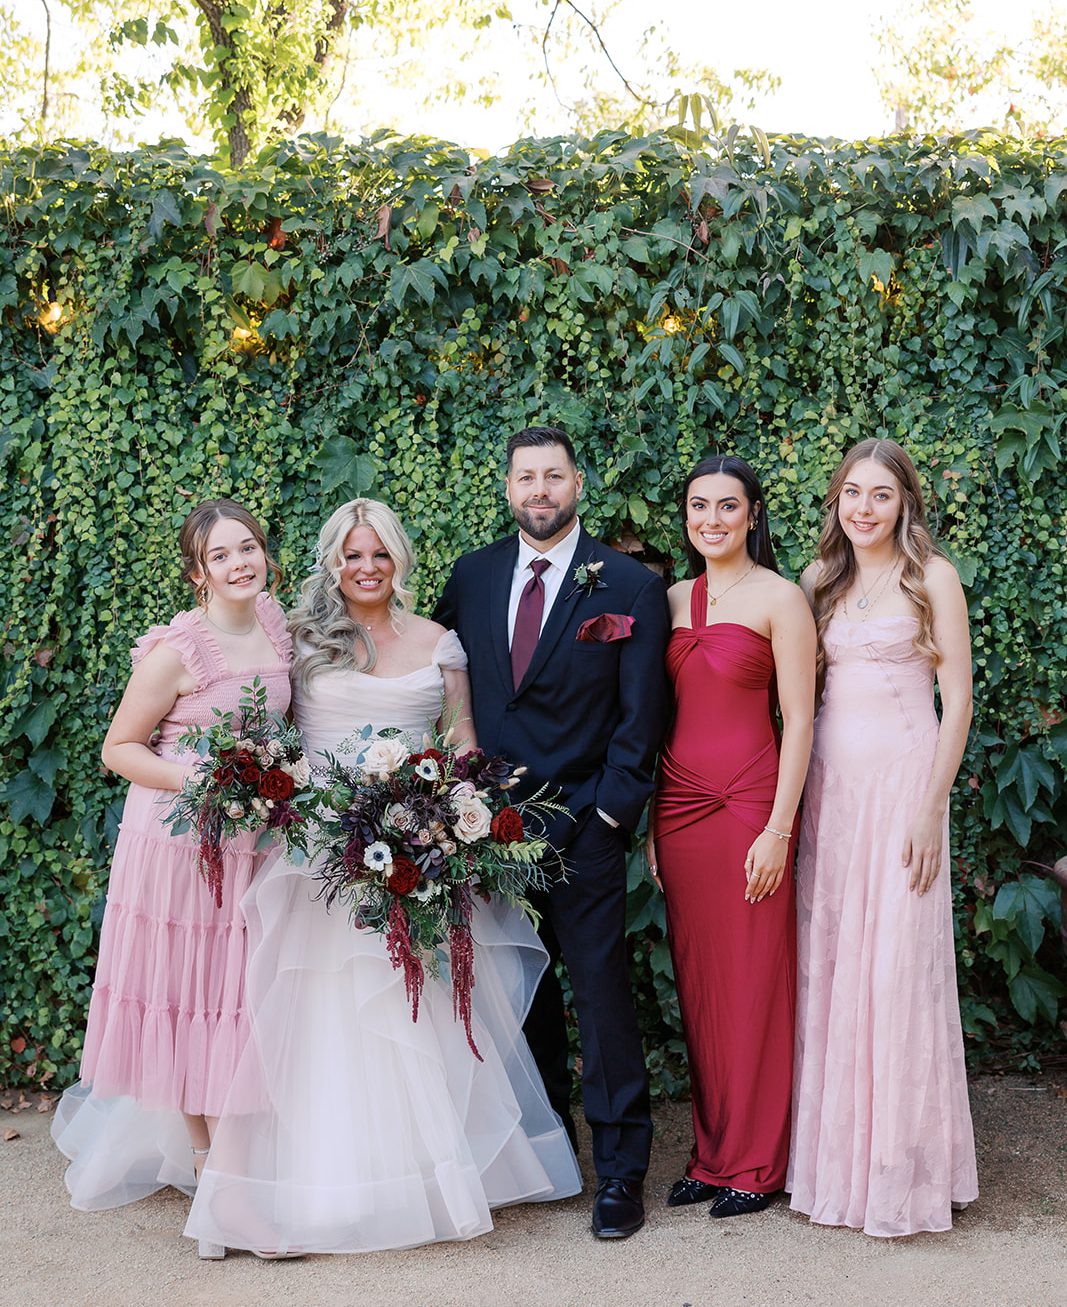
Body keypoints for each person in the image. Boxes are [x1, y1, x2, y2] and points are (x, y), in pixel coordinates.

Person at [185, 498, 581, 1257]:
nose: (366, 569)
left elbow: (458, 739)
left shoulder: (442, 643)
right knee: (319, 1013)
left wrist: (458, 810)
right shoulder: (296, 640)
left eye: (379, 555)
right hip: (317, 854)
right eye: (350, 556)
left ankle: (425, 1175)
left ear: (399, 559)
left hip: (413, 848)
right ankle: (309, 1179)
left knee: (412, 1010)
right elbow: (259, 717)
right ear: (331, 562)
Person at [433, 426, 670, 1240]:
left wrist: (609, 814)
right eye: (525, 476)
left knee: (602, 1002)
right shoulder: (470, 576)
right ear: (507, 487)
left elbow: (642, 718)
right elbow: (435, 675)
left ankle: (620, 1175)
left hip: (585, 827)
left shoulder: (630, 586)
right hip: (491, 833)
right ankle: (542, 1153)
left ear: (578, 482)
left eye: (553, 475)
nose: (540, 489)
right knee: (517, 998)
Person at [51, 500, 292, 1259]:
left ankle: (213, 1189)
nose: (239, 563)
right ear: (198, 572)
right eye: (221, 556)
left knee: (225, 1004)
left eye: (247, 547)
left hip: (248, 842)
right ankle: (225, 1195)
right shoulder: (177, 650)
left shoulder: (276, 624)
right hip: (180, 844)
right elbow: (118, 747)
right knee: (196, 1000)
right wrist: (205, 781)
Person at [786, 438, 979, 1237]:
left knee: (897, 969)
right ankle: (836, 1167)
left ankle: (901, 1171)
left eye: (880, 495)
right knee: (833, 965)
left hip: (902, 790)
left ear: (905, 503)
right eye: (851, 494)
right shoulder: (816, 582)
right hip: (832, 795)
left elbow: (958, 698)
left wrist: (931, 805)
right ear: (834, 501)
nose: (862, 509)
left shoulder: (931, 578)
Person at [646, 454, 816, 1219]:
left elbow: (801, 719)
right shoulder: (671, 597)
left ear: (753, 514)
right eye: (696, 506)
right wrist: (652, 822)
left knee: (753, 980)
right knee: (700, 981)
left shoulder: (782, 598)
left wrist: (779, 827)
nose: (710, 519)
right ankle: (712, 1157)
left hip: (751, 804)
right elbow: (653, 715)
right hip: (678, 807)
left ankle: (757, 1159)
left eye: (726, 506)